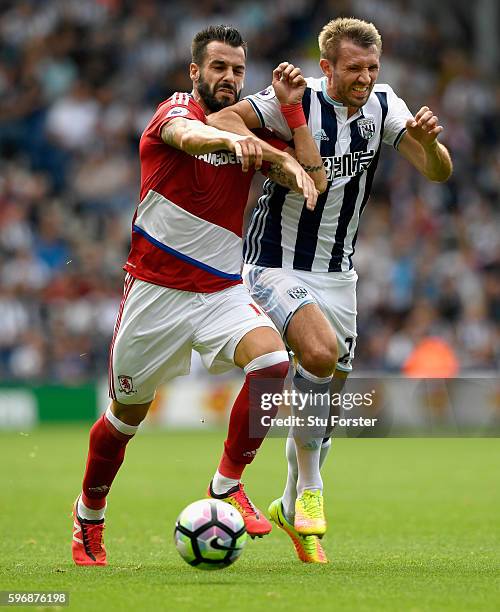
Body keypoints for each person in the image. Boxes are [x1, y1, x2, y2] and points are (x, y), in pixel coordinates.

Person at [71, 25, 321, 566]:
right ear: (195, 72)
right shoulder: (175, 111)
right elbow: (191, 138)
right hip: (155, 296)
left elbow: (311, 177)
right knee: (123, 420)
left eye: (236, 69)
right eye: (218, 68)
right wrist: (237, 142)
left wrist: (294, 129)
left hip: (220, 291)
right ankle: (88, 515)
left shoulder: (251, 125)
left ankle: (226, 484)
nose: (229, 78)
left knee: (274, 363)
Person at [208, 16, 452, 563]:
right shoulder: (293, 97)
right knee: (317, 355)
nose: (364, 78)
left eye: (371, 68)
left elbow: (437, 172)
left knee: (323, 410)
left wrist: (432, 145)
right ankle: (313, 490)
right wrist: (267, 151)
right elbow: (222, 118)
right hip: (274, 264)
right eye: (353, 69)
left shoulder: (386, 104)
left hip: (339, 274)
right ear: (327, 68)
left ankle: (291, 505)